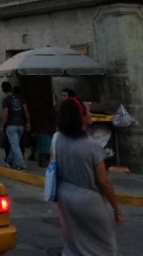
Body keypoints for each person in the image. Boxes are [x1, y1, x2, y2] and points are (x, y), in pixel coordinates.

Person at [56, 98, 123, 254]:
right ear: (80, 117)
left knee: (74, 245)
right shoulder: (92, 146)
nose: (90, 114)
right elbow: (104, 182)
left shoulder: (59, 140)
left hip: (65, 196)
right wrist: (116, 209)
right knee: (104, 247)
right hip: (89, 201)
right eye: (87, 111)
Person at [0, 85, 31, 171]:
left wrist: (2, 125)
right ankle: (9, 161)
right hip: (21, 125)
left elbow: (5, 114)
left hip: (11, 125)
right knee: (15, 144)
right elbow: (26, 111)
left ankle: (22, 165)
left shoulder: (6, 100)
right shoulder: (20, 98)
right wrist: (28, 122)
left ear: (3, 91)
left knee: (15, 145)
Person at [29, 97, 57, 167]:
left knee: (42, 148)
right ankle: (44, 162)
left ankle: (42, 161)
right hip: (47, 130)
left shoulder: (36, 109)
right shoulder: (48, 110)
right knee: (47, 148)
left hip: (40, 130)